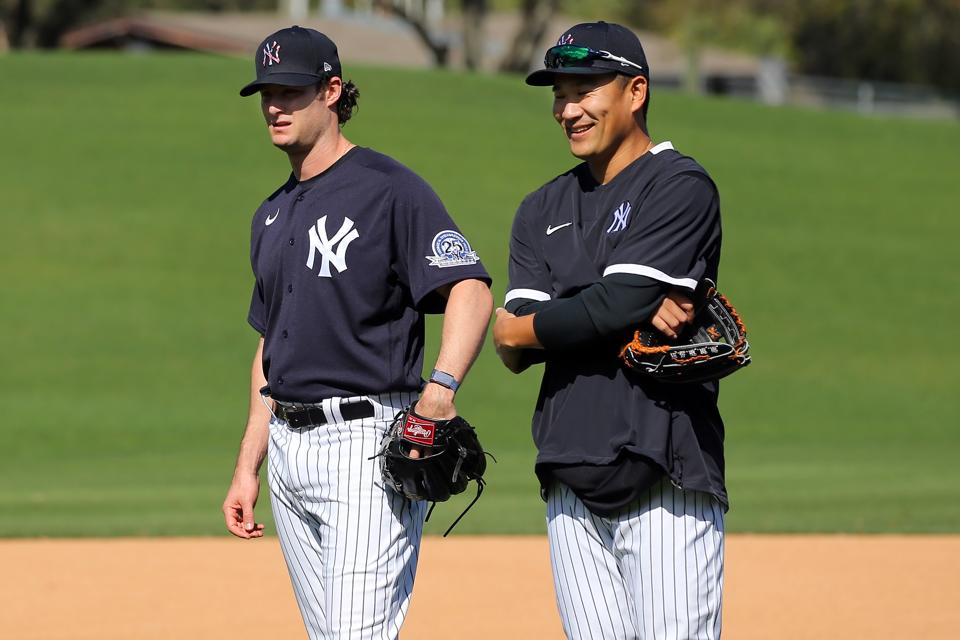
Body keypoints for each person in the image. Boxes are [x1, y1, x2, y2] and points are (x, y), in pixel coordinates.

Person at [222, 26, 493, 640]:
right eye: (267, 91)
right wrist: (249, 464)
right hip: (289, 450)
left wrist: (441, 390)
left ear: (332, 91)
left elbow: (470, 289)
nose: (274, 105)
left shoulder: (388, 189)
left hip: (366, 447)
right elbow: (272, 343)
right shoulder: (271, 212)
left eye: (290, 91)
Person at [493, 21, 727, 639]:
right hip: (569, 469)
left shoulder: (679, 185)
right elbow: (510, 345)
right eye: (559, 93)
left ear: (636, 90)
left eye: (586, 88)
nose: (569, 108)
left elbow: (594, 308)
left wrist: (587, 310)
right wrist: (617, 305)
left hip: (664, 464)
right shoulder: (539, 209)